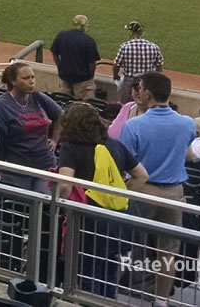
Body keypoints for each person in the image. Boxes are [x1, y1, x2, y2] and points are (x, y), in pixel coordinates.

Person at [118, 71, 197, 306]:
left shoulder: (133, 125)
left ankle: (111, 289)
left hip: (143, 192)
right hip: (174, 194)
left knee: (127, 245)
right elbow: (188, 153)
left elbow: (124, 164)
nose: (138, 91)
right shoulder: (187, 123)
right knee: (168, 252)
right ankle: (160, 301)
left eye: (140, 88)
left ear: (148, 93)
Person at [54, 101, 146, 300]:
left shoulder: (71, 148)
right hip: (117, 220)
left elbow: (64, 185)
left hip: (88, 220)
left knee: (87, 271)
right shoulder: (114, 144)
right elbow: (142, 175)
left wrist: (63, 205)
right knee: (109, 268)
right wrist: (119, 195)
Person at [0, 61, 60, 192]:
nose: (31, 81)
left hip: (45, 165)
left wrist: (55, 139)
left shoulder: (38, 98)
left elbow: (61, 116)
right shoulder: (1, 105)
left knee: (44, 207)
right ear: (13, 81)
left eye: (33, 77)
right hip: (16, 170)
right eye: (26, 78)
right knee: (19, 209)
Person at [51, 14, 101, 102]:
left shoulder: (62, 36)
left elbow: (54, 54)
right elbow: (92, 63)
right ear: (83, 26)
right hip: (83, 81)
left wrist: (60, 67)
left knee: (63, 104)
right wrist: (90, 77)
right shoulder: (88, 41)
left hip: (65, 77)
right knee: (84, 108)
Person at [113, 21, 163, 99]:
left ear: (131, 33)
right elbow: (159, 65)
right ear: (142, 33)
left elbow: (116, 65)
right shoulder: (154, 47)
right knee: (146, 105)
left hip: (129, 82)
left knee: (127, 106)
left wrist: (115, 76)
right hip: (147, 83)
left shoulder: (125, 47)